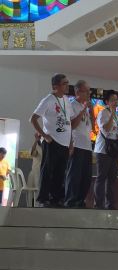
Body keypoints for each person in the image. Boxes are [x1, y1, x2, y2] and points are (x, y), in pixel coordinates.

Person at [30, 73, 74, 207]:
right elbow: (33, 119)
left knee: (60, 171)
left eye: (67, 83)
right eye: (64, 83)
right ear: (56, 86)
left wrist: (71, 142)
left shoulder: (66, 99)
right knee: (48, 170)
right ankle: (43, 197)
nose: (67, 86)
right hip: (52, 141)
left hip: (65, 143)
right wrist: (44, 135)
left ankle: (57, 197)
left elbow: (69, 122)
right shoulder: (48, 100)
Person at [94, 90, 118, 209]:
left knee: (112, 178)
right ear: (107, 102)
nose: (116, 102)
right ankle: (99, 204)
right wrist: (112, 113)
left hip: (114, 151)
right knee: (101, 177)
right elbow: (106, 130)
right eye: (113, 100)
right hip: (103, 150)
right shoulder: (103, 113)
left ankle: (110, 204)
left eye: (117, 100)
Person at [65, 80, 93, 208]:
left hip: (87, 146)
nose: (89, 93)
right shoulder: (72, 105)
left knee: (86, 177)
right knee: (74, 175)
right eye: (86, 91)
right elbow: (73, 125)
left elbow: (89, 127)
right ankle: (71, 201)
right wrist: (84, 109)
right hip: (76, 145)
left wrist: (89, 110)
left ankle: (80, 201)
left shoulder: (84, 106)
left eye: (89, 91)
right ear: (77, 92)